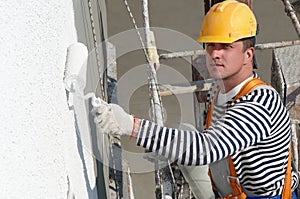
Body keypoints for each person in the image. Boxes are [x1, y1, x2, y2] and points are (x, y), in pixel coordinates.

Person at [93, 0, 299, 198]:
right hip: (228, 193)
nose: (215, 53)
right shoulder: (221, 93)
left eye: (226, 46)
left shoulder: (260, 104)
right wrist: (165, 144)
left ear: (248, 54)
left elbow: (205, 149)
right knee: (183, 131)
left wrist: (132, 127)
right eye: (210, 44)